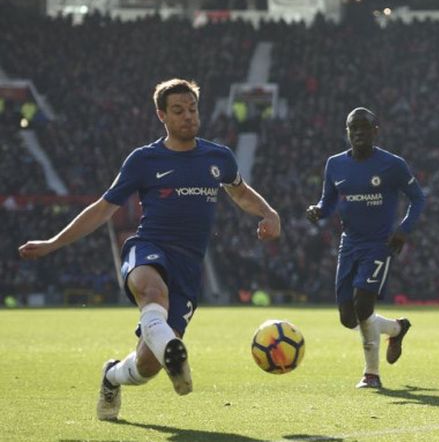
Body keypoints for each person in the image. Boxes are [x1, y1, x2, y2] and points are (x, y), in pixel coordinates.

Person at [18, 79, 281, 421]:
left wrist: (269, 212)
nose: (188, 116)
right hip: (148, 247)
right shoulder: (144, 159)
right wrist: (53, 243)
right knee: (151, 289)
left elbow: (241, 192)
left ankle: (113, 375)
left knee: (147, 366)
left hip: (188, 267)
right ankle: (173, 347)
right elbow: (102, 208)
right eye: (178, 111)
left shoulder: (219, 157)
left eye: (192, 109)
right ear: (162, 115)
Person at [306, 107, 426, 389]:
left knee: (363, 305)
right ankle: (397, 328)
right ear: (347, 132)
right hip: (350, 244)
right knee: (348, 318)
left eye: (364, 127)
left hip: (379, 245)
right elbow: (329, 202)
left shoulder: (392, 164)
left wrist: (403, 230)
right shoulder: (335, 164)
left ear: (376, 130)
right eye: (353, 128)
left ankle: (371, 374)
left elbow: (418, 199)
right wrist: (317, 211)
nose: (359, 132)